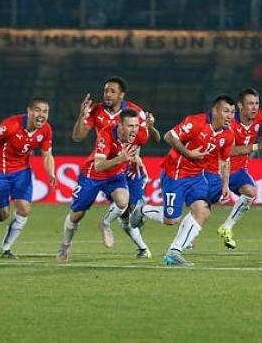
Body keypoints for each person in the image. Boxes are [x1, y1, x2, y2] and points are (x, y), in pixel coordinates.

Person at [131, 95, 236, 267]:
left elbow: (224, 161)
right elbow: (168, 136)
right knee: (171, 220)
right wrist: (188, 153)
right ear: (215, 111)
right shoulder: (196, 122)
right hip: (175, 174)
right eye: (226, 111)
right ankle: (142, 210)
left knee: (202, 211)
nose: (230, 116)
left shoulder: (228, 135)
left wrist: (225, 183)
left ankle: (174, 252)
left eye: (232, 112)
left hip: (197, 177)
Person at [71, 76, 160, 258]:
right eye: (105, 91)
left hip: (130, 166)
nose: (107, 94)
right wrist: (82, 116)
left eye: (112, 91)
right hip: (108, 165)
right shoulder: (95, 110)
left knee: (130, 211)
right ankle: (141, 246)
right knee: (123, 206)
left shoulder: (135, 112)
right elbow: (78, 136)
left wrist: (150, 130)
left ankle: (138, 239)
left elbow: (150, 137)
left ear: (121, 95)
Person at [57, 109, 149, 263]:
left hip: (115, 175)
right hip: (92, 176)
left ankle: (105, 224)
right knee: (77, 214)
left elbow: (137, 149)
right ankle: (64, 246)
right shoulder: (106, 134)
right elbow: (98, 165)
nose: (134, 130)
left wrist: (136, 161)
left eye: (136, 125)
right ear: (119, 125)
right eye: (130, 126)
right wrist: (120, 159)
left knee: (122, 201)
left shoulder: (140, 134)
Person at [0, 98, 56, 259]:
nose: (41, 115)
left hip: (22, 173)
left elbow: (47, 155)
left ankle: (5, 249)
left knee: (24, 210)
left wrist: (51, 172)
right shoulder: (11, 125)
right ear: (29, 111)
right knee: (2, 215)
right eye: (37, 110)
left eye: (45, 111)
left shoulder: (45, 130)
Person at [213, 88, 262, 249]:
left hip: (239, 170)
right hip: (219, 169)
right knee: (202, 205)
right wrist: (257, 146)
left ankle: (226, 227)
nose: (254, 107)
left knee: (251, 192)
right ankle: (187, 239)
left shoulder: (259, 117)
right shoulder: (230, 124)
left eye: (256, 103)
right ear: (240, 107)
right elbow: (229, 151)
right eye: (250, 104)